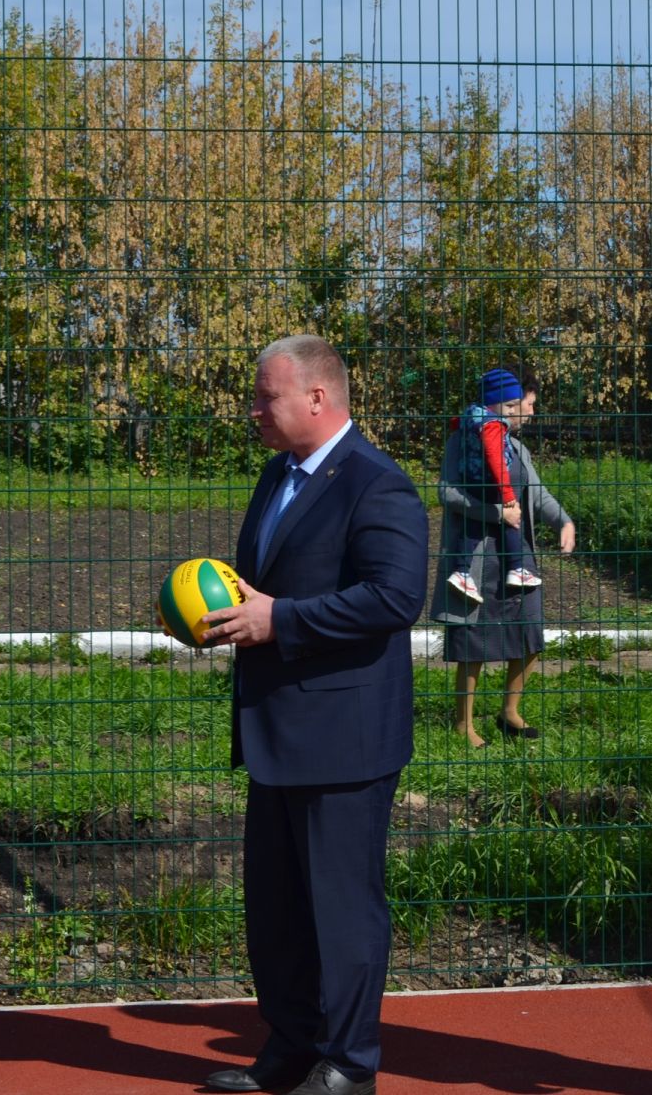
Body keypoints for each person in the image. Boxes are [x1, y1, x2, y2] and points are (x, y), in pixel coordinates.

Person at [202, 335, 430, 1095]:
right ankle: (292, 1048)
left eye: (266, 397)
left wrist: (281, 622)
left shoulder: (376, 485)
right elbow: (272, 582)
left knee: (340, 910)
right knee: (277, 909)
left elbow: (397, 597)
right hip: (276, 730)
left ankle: (350, 1064)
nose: (255, 411)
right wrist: (226, 611)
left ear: (318, 400)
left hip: (344, 738)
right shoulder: (278, 475)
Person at [432, 368, 578, 748]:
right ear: (498, 404)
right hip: (477, 557)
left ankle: (509, 712)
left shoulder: (518, 448)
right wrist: (495, 514)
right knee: (472, 639)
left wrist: (563, 521)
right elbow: (446, 493)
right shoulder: (462, 440)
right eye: (518, 405)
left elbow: (537, 493)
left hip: (519, 554)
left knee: (530, 629)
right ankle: (463, 725)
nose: (525, 413)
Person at [442, 368, 542, 604]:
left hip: (473, 478)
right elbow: (495, 458)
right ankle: (518, 567)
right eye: (508, 406)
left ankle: (462, 571)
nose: (511, 412)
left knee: (473, 527)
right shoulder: (493, 425)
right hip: (490, 479)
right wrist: (507, 495)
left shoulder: (472, 415)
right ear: (492, 403)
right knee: (511, 518)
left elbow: (457, 423)